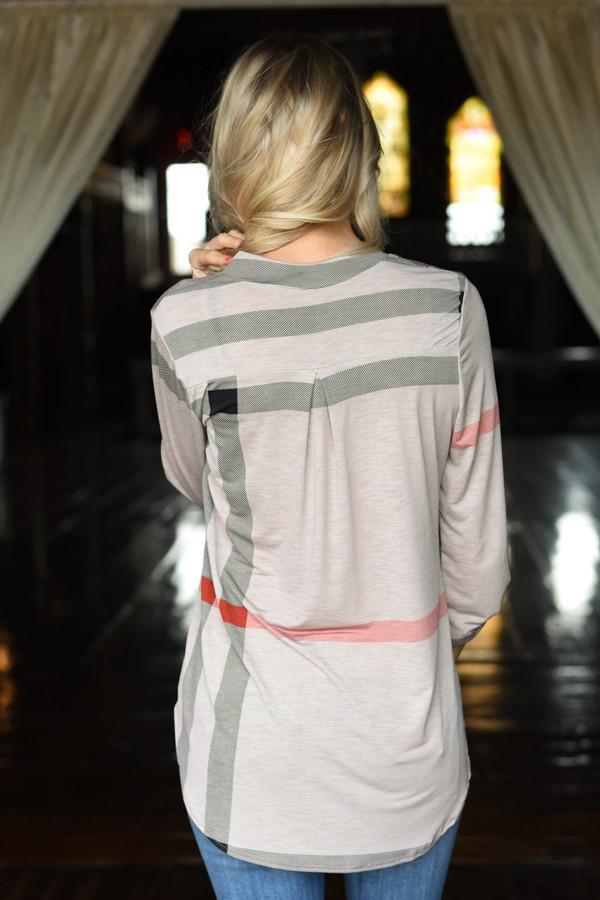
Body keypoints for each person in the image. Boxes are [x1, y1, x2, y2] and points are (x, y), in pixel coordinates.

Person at [150, 31, 511, 900]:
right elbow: (478, 571)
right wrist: (394, 657)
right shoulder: (447, 309)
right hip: (403, 748)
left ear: (236, 151)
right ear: (359, 147)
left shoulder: (184, 320)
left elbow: (204, 486)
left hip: (251, 755)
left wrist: (216, 301)